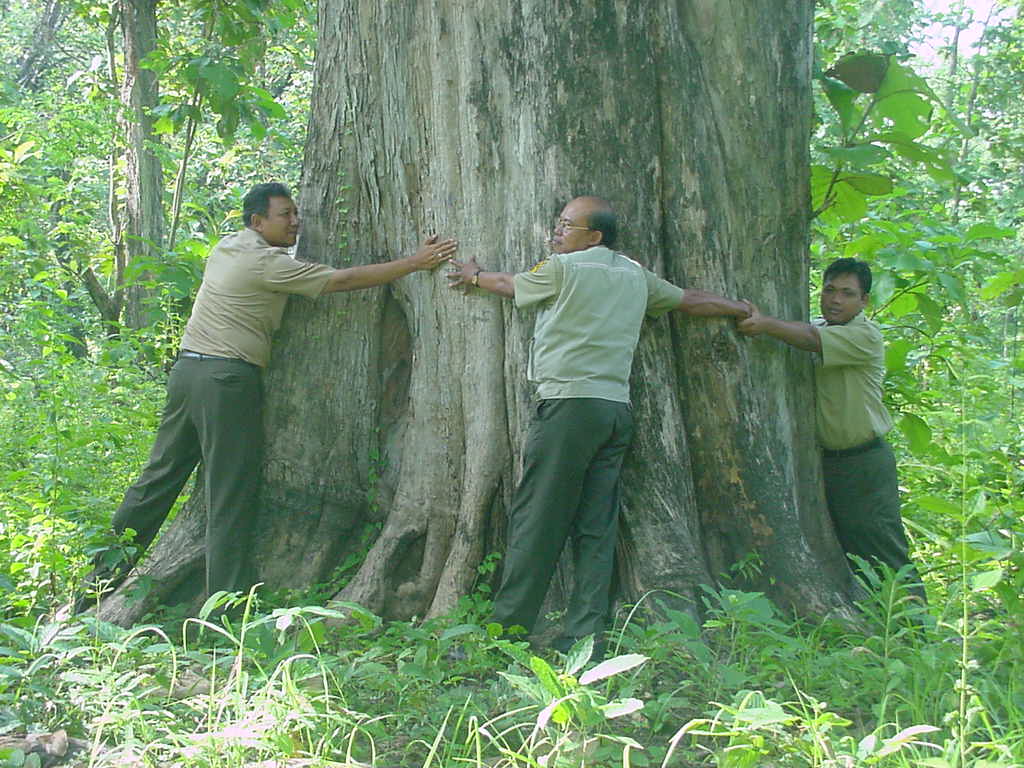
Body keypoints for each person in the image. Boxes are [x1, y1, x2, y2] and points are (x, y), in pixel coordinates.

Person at [77, 182, 457, 610]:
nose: (296, 221)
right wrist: (415, 262)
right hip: (226, 380)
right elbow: (343, 279)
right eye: (285, 215)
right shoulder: (265, 265)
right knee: (229, 492)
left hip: (188, 373)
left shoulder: (228, 248)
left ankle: (97, 581)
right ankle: (224, 608)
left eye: (296, 213)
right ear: (258, 222)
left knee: (158, 479)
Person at [447, 195, 749, 656]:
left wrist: (473, 275)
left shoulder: (562, 268)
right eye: (559, 222)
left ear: (594, 236)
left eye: (567, 225)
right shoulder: (633, 273)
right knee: (596, 525)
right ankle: (584, 636)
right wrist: (737, 308)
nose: (556, 230)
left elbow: (510, 284)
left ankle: (506, 632)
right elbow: (688, 300)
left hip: (568, 408)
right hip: (614, 412)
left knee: (538, 519)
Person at [737, 257, 926, 602]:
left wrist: (764, 323)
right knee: (842, 547)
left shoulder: (864, 336)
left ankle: (915, 630)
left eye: (847, 293)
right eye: (829, 290)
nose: (835, 299)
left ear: (864, 301)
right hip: (829, 463)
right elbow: (808, 332)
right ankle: (869, 625)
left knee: (883, 546)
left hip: (864, 462)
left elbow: (810, 338)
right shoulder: (821, 326)